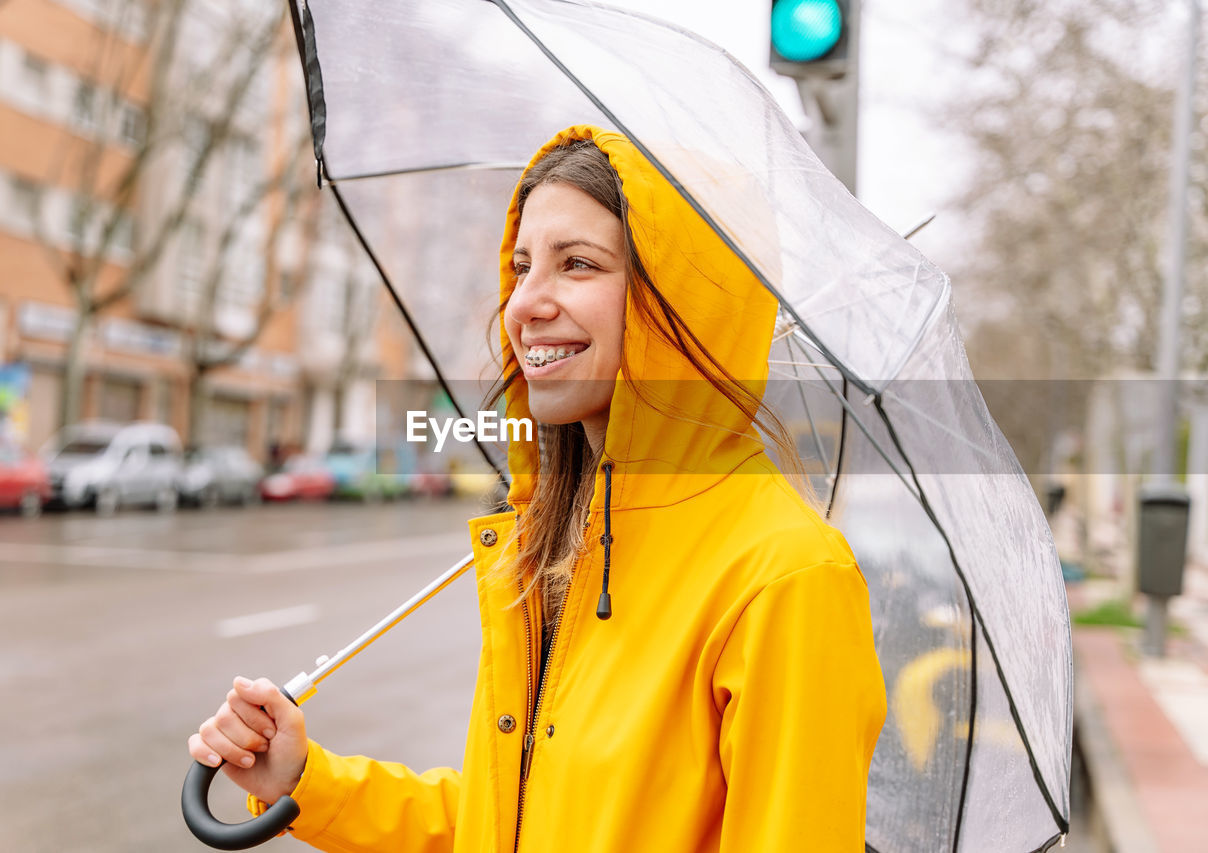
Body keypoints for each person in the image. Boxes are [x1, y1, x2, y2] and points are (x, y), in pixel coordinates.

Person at [189, 125, 887, 852]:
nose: (525, 303)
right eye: (522, 267)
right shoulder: (559, 541)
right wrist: (306, 778)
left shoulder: (786, 577)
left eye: (577, 264)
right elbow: (519, 820)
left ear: (684, 301)